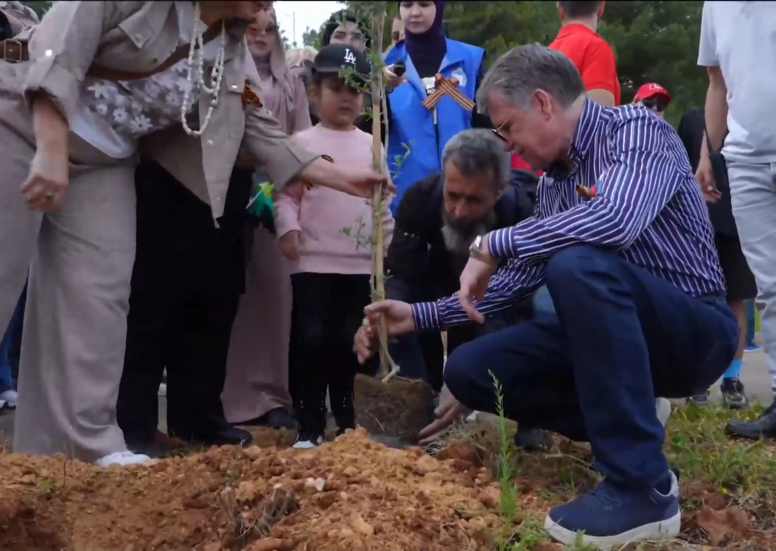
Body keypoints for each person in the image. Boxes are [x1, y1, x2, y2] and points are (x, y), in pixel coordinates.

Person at [0, 0, 387, 473]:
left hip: (102, 157)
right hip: (15, 118)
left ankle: (75, 451)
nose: (267, 4)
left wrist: (342, 178)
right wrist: (49, 148)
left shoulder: (229, 46)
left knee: (100, 297)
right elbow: (60, 45)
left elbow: (256, 128)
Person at [355, 44, 737, 547]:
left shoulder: (637, 132)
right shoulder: (556, 182)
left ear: (542, 103)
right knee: (469, 369)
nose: (509, 146)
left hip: (692, 331)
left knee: (577, 261)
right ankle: (634, 423)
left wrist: (492, 242)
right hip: (615, 337)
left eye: (508, 127)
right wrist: (420, 315)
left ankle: (641, 487)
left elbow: (613, 222)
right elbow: (516, 281)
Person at [385, 128, 548, 450]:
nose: (459, 211)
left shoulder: (523, 212)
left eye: (474, 200)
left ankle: (532, 419)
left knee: (509, 338)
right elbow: (401, 273)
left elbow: (515, 306)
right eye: (453, 195)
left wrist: (468, 378)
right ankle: (425, 414)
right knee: (401, 321)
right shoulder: (420, 198)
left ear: (500, 190)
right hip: (434, 280)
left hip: (499, 296)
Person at [275, 44, 394, 449]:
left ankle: (348, 427)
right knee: (310, 341)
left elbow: (384, 206)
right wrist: (288, 228)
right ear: (313, 93)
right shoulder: (300, 142)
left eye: (355, 89)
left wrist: (385, 246)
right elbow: (285, 196)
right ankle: (308, 426)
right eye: (335, 87)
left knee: (352, 345)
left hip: (361, 267)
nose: (346, 97)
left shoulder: (373, 145)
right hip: (312, 263)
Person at [222, 7, 312, 430]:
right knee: (230, 300)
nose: (260, 35)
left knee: (275, 301)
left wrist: (281, 194)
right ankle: (227, 397)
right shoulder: (222, 71)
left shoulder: (290, 83)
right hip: (223, 195)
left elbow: (302, 142)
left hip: (276, 204)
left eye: (270, 29)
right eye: (252, 27)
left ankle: (273, 395)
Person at [696, 1, 776, 440]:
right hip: (745, 157)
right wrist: (710, 151)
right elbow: (716, 81)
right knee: (768, 287)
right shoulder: (716, 6)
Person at [678, 106, 753, 408]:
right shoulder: (694, 118)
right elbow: (680, 168)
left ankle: (732, 380)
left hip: (739, 224)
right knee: (698, 303)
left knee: (735, 302)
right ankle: (700, 378)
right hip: (699, 226)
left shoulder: (749, 116)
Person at [383, 0, 489, 212]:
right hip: (404, 199)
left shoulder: (469, 60)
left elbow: (488, 127)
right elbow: (369, 132)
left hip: (464, 195)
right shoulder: (384, 66)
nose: (414, 12)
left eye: (423, 4)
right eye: (406, 5)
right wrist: (378, 92)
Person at [550, 1, 619, 107]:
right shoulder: (596, 48)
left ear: (560, 10)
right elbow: (599, 117)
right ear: (601, 7)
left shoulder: (546, 54)